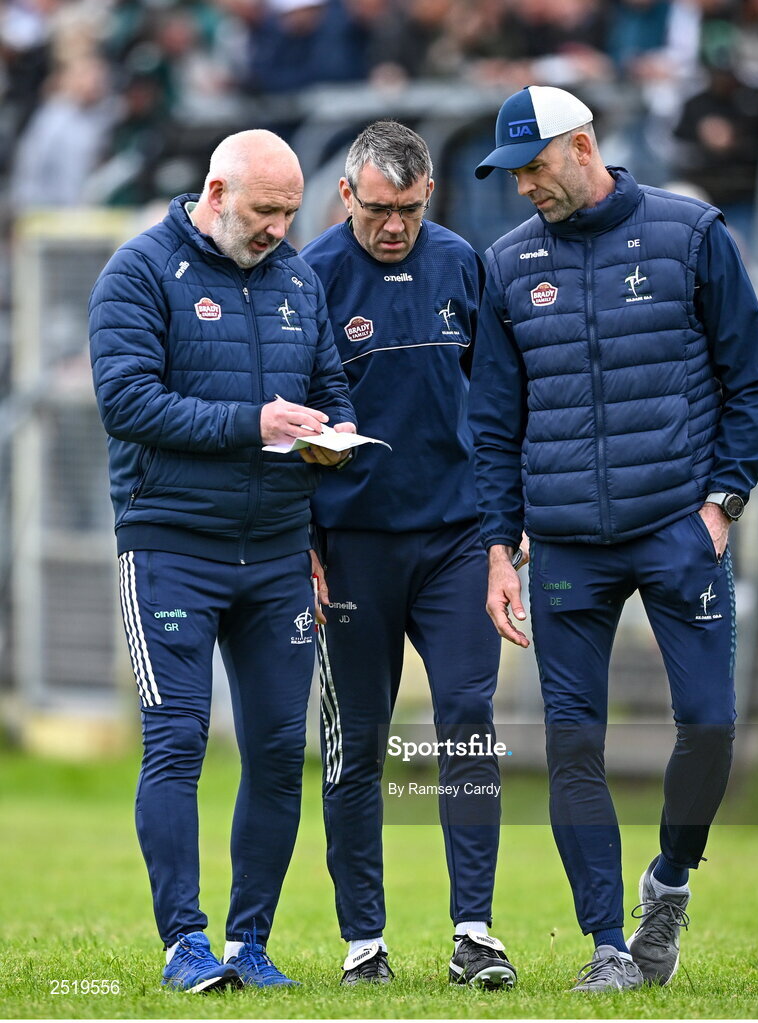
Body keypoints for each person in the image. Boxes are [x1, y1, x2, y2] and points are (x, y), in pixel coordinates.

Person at [469, 86, 758, 992]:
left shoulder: (691, 234)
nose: (524, 185)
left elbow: (754, 384)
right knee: (572, 746)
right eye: (512, 171)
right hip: (565, 546)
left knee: (712, 726)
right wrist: (499, 546)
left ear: (582, 146)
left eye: (534, 166)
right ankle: (608, 942)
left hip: (678, 530)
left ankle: (670, 882)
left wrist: (721, 501)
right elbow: (491, 423)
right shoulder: (506, 264)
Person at [89, 129, 356, 993]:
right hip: (171, 544)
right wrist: (254, 422)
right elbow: (127, 401)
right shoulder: (138, 271)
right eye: (266, 209)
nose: (280, 227)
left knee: (281, 750)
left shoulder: (298, 280)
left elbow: (332, 390)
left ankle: (249, 942)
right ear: (215, 192)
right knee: (176, 741)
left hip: (277, 550)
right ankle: (183, 943)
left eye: (290, 210)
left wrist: (330, 440)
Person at [300, 120, 517, 989]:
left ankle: (476, 932)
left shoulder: (461, 261)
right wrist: (302, 546)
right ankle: (364, 942)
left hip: (456, 538)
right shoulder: (308, 278)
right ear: (348, 194)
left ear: (432, 195)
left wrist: (505, 528)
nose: (396, 227)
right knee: (357, 742)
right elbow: (292, 426)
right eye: (381, 209)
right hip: (351, 546)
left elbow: (497, 403)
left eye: (412, 209)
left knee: (468, 720)